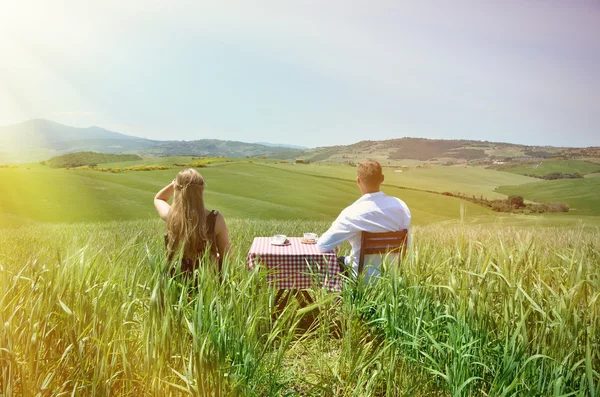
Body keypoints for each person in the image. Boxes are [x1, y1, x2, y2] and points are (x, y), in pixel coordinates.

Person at [316, 160, 411, 280]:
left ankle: (337, 298)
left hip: (360, 279)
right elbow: (407, 245)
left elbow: (323, 245)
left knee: (336, 263)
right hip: (392, 280)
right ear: (382, 178)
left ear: (358, 180)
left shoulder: (352, 212)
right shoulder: (401, 207)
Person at [154, 168, 230, 275]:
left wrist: (173, 184)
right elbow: (227, 257)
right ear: (202, 190)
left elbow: (159, 199)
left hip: (174, 281)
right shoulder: (216, 219)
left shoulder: (171, 216)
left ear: (177, 189)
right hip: (208, 282)